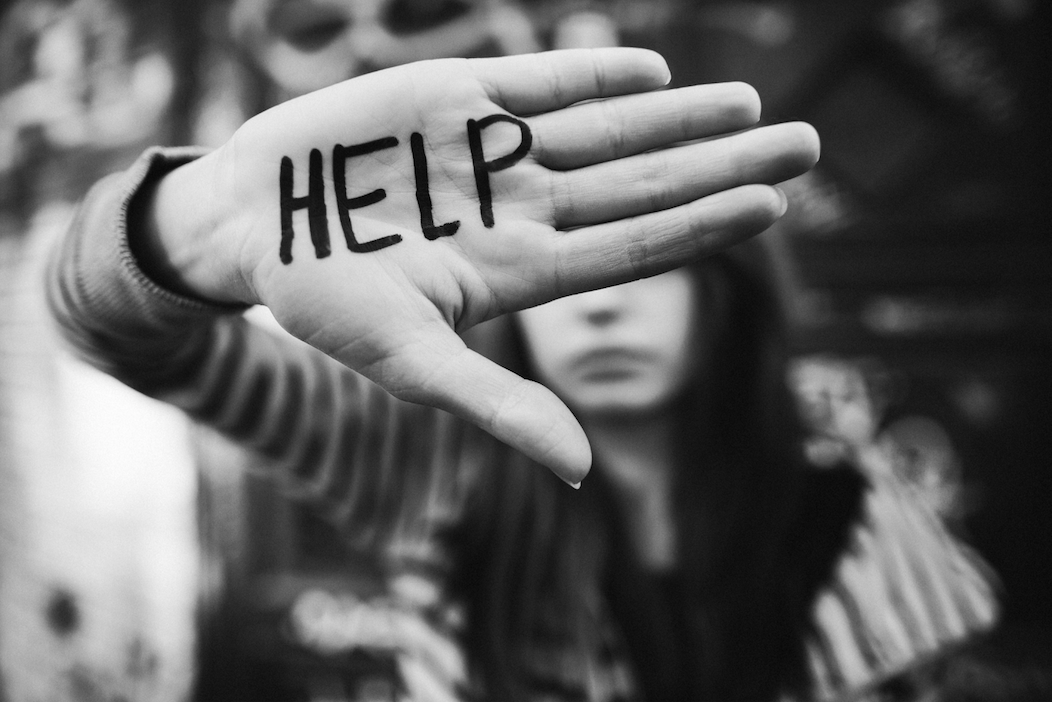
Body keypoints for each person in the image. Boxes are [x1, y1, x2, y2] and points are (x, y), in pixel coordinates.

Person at [45, 48, 997, 701]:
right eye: (559, 271)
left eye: (645, 262)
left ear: (727, 299)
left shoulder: (854, 512)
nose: (599, 306)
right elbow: (112, 332)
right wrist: (208, 221)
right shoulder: (418, 463)